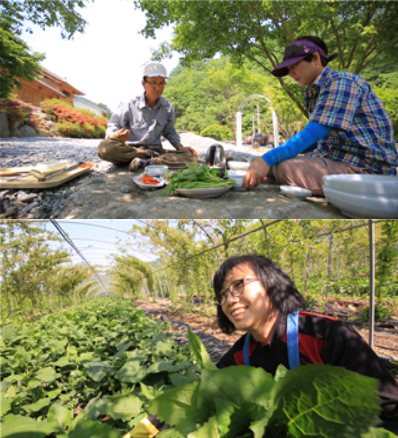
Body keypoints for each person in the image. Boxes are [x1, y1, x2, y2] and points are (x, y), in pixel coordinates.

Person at [214, 254, 398, 434]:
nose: (230, 300)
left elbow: (388, 410)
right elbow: (209, 393)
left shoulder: (325, 335)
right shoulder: (238, 355)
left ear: (271, 283)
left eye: (238, 285)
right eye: (223, 295)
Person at [243, 36, 398, 195]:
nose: (291, 73)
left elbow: (314, 133)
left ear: (316, 58)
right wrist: (271, 158)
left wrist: (267, 159)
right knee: (277, 163)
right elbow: (317, 140)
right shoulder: (314, 91)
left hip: (369, 170)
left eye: (294, 65)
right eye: (288, 69)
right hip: (339, 162)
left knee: (284, 168)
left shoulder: (342, 82)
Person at [98, 62, 199, 171]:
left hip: (155, 151)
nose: (158, 88)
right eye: (154, 83)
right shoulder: (129, 104)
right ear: (143, 83)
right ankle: (150, 159)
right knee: (104, 147)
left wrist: (179, 147)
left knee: (192, 157)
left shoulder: (167, 106)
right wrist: (114, 135)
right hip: (131, 150)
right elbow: (114, 124)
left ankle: (146, 162)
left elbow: (169, 130)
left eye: (161, 83)